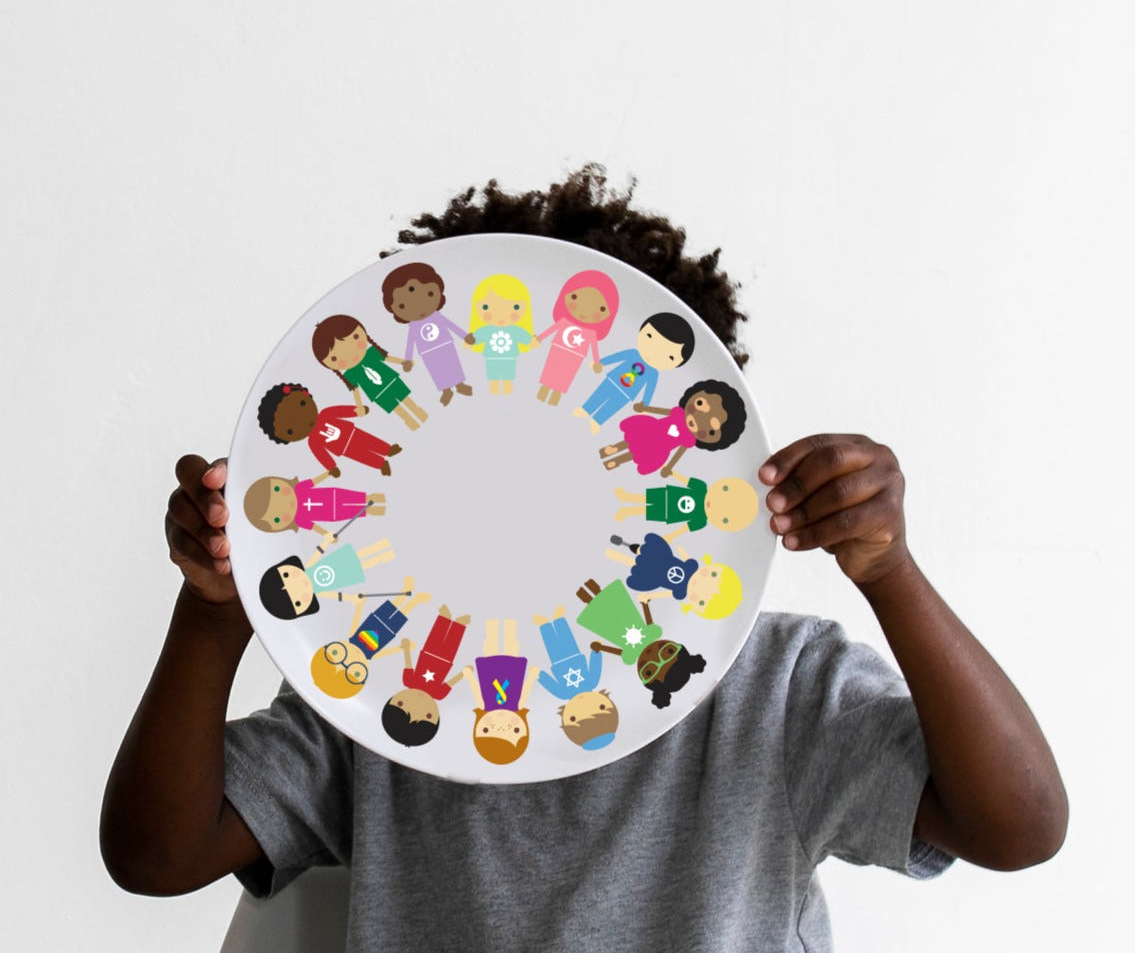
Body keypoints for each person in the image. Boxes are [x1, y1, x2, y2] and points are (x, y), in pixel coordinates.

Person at [100, 167, 1068, 951]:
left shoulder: (774, 685)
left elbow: (1015, 827)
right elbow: (156, 854)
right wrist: (219, 604)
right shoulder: (379, 689)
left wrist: (888, 572)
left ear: (691, 450)